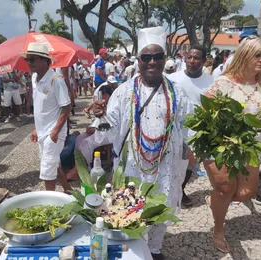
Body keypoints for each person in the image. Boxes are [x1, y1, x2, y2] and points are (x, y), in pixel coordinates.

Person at [93, 27, 193, 260]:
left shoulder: (177, 92)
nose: (152, 62)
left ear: (165, 59)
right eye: (146, 57)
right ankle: (135, 250)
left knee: (161, 210)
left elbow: (189, 127)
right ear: (138, 60)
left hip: (165, 165)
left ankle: (155, 250)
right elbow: (108, 133)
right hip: (132, 166)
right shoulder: (123, 92)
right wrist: (100, 117)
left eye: (158, 56)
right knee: (131, 211)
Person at [204, 36, 261, 253]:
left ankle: (215, 198)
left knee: (247, 192)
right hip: (220, 146)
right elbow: (203, 114)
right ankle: (219, 228)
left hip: (250, 147)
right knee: (226, 187)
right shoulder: (224, 82)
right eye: (258, 55)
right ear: (245, 55)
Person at [22, 42, 72, 193]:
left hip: (53, 133)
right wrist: (36, 128)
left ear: (44, 60)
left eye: (32, 59)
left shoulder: (55, 80)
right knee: (54, 166)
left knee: (47, 174)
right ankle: (69, 192)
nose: (29, 63)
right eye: (27, 59)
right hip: (43, 131)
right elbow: (39, 107)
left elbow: (66, 106)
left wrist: (55, 132)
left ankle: (49, 204)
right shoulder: (34, 78)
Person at [167, 46, 214, 206]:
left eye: (196, 59)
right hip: (174, 128)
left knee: (191, 164)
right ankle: (169, 191)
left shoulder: (211, 81)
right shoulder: (173, 78)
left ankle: (180, 189)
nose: (192, 61)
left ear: (203, 61)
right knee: (172, 161)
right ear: (185, 58)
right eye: (189, 58)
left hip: (197, 131)